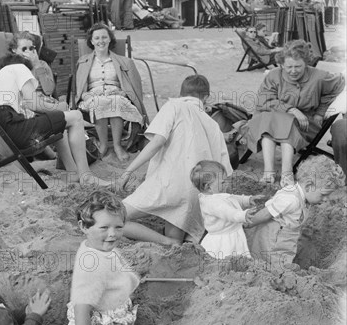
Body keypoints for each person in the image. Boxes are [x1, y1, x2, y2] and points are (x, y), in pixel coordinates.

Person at [116, 75, 232, 244]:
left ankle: (164, 241)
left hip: (167, 185)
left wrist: (128, 172)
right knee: (174, 236)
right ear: (206, 97)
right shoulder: (214, 125)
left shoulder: (174, 106)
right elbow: (225, 172)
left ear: (181, 94)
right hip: (196, 193)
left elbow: (157, 142)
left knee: (113, 219)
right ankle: (171, 241)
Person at [0, 51, 107, 186]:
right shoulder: (19, 68)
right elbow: (33, 103)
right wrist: (59, 107)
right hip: (13, 130)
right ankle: (86, 176)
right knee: (76, 116)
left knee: (58, 120)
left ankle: (73, 171)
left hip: (3, 137)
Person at [245, 40, 345, 185]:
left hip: (305, 123)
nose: (293, 71)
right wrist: (291, 109)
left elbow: (338, 85)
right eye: (288, 67)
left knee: (283, 122)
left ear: (306, 63)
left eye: (298, 66)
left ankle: (284, 173)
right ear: (281, 65)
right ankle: (272, 173)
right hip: (270, 121)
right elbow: (263, 101)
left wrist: (320, 112)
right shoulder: (273, 76)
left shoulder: (319, 76)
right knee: (271, 119)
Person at [64, 191, 140, 325]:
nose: (112, 234)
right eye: (104, 228)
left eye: (118, 227)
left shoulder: (102, 248)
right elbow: (81, 310)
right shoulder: (91, 267)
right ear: (84, 226)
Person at [246, 155, 345, 269]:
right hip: (273, 243)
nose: (326, 199)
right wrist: (246, 223)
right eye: (323, 195)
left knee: (280, 264)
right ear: (309, 186)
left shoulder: (303, 198)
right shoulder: (291, 200)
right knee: (272, 267)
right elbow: (266, 213)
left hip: (286, 243)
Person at [75, 22, 145, 162]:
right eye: (97, 38)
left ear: (110, 39)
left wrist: (124, 93)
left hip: (116, 95)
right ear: (91, 41)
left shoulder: (124, 61)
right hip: (93, 97)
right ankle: (104, 145)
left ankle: (118, 146)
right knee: (99, 102)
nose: (101, 41)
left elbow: (133, 85)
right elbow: (80, 88)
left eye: (104, 37)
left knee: (116, 101)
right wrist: (85, 94)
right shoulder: (83, 62)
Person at [190, 160, 263, 260]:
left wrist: (247, 200)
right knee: (226, 259)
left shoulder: (216, 195)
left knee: (237, 259)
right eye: (223, 182)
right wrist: (243, 215)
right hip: (224, 240)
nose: (227, 184)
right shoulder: (212, 203)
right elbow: (228, 213)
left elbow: (232, 198)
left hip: (231, 233)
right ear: (208, 187)